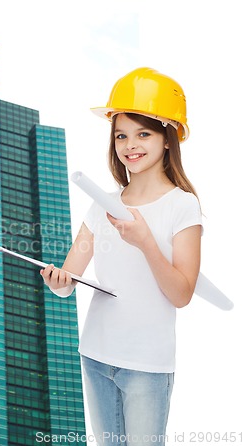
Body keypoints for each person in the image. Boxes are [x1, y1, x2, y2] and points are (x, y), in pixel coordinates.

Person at [40, 67, 202, 446]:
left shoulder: (182, 206)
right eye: (121, 135)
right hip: (95, 354)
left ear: (168, 137)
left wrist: (145, 242)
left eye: (143, 133)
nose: (131, 144)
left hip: (147, 365)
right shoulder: (103, 204)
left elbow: (181, 294)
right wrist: (57, 282)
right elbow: (70, 278)